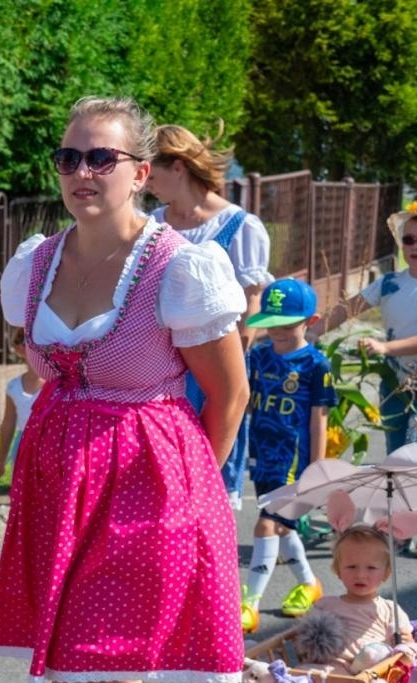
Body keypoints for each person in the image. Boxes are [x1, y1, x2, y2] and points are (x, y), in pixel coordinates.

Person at [0, 97, 249, 683]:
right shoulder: (35, 262)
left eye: (102, 158)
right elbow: (38, 373)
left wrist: (195, 491)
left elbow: (229, 392)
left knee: (80, 663)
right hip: (60, 475)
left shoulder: (181, 267)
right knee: (90, 648)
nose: (83, 173)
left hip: (150, 484)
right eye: (70, 158)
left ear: (141, 171)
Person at [147, 122, 273, 508]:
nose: (145, 182)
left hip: (211, 367)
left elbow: (251, 308)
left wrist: (228, 356)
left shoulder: (240, 227)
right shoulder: (153, 223)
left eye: (151, 173)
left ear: (178, 167)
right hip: (159, 366)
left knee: (207, 471)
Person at [319, 199, 417, 552]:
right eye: (408, 240)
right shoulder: (390, 283)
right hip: (393, 381)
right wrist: (311, 333)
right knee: (398, 454)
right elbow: (350, 307)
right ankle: (403, 522)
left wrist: (386, 348)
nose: (414, 247)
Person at [238, 279, 335, 633]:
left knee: (266, 524)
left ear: (311, 320)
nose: (277, 329)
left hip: (294, 463)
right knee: (282, 527)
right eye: (272, 320)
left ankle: (250, 603)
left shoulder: (315, 365)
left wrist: (317, 471)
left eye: (287, 322)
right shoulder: (259, 356)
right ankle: (308, 584)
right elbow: (245, 402)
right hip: (262, 456)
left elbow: (318, 422)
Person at [299, 526, 412, 669]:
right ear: (338, 570)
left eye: (371, 568)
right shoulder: (325, 605)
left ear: (386, 573)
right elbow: (304, 640)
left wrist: (406, 643)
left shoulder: (389, 610)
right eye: (351, 567)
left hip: (367, 678)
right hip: (325, 671)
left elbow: (408, 656)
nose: (360, 575)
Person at [0, 327, 42, 480]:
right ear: (20, 348)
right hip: (23, 444)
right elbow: (8, 423)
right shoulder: (14, 387)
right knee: (22, 487)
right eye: (31, 343)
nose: (38, 349)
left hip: (50, 442)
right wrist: (1, 459)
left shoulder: (55, 385)